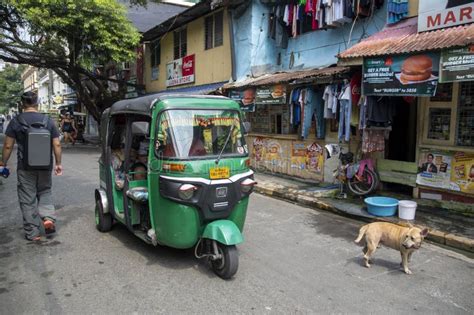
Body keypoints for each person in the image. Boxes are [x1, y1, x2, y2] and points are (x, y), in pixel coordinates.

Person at [0, 91, 62, 242]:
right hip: (45, 165)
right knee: (45, 191)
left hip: (25, 166)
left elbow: (8, 146)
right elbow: (57, 143)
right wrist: (58, 163)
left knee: (27, 199)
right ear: (37, 103)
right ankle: (48, 218)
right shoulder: (48, 121)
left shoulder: (16, 120)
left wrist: (3, 162)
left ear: (22, 104)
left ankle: (33, 232)